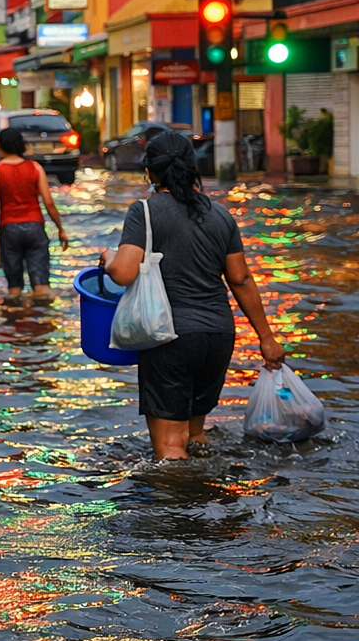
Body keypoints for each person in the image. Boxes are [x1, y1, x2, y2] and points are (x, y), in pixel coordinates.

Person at [101, 131, 285, 460]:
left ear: (150, 172)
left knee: (171, 446)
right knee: (195, 434)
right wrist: (267, 338)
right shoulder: (220, 215)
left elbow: (124, 273)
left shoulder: (144, 211)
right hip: (218, 336)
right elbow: (240, 279)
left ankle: (181, 508)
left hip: (170, 336)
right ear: (192, 166)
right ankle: (208, 496)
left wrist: (108, 260)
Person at [0, 126, 70, 299]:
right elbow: (48, 202)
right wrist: (61, 229)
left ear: (1, 147)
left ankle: (15, 320)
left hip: (9, 230)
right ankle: (40, 319)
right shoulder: (35, 168)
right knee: (42, 287)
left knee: (14, 289)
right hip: (35, 228)